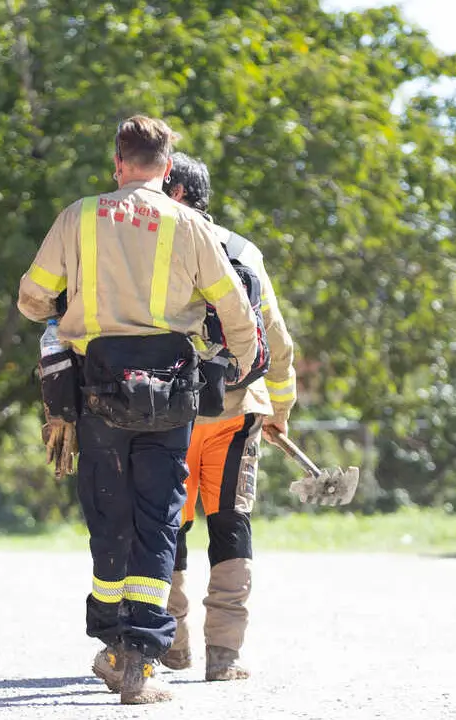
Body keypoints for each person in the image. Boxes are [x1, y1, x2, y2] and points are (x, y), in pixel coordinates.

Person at [17, 115, 260, 705]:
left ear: (118, 163)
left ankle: (110, 639)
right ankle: (141, 662)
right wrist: (240, 366)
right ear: (167, 167)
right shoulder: (189, 224)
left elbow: (31, 298)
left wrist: (62, 310)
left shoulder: (79, 216)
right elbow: (236, 311)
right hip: (172, 395)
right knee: (159, 519)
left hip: (99, 392)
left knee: (110, 514)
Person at [158, 152, 297, 680]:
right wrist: (279, 408)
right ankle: (224, 655)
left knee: (167, 523)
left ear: (172, 193)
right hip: (238, 412)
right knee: (230, 525)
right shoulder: (243, 251)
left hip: (171, 411)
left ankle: (172, 644)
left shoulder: (159, 248)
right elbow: (277, 341)